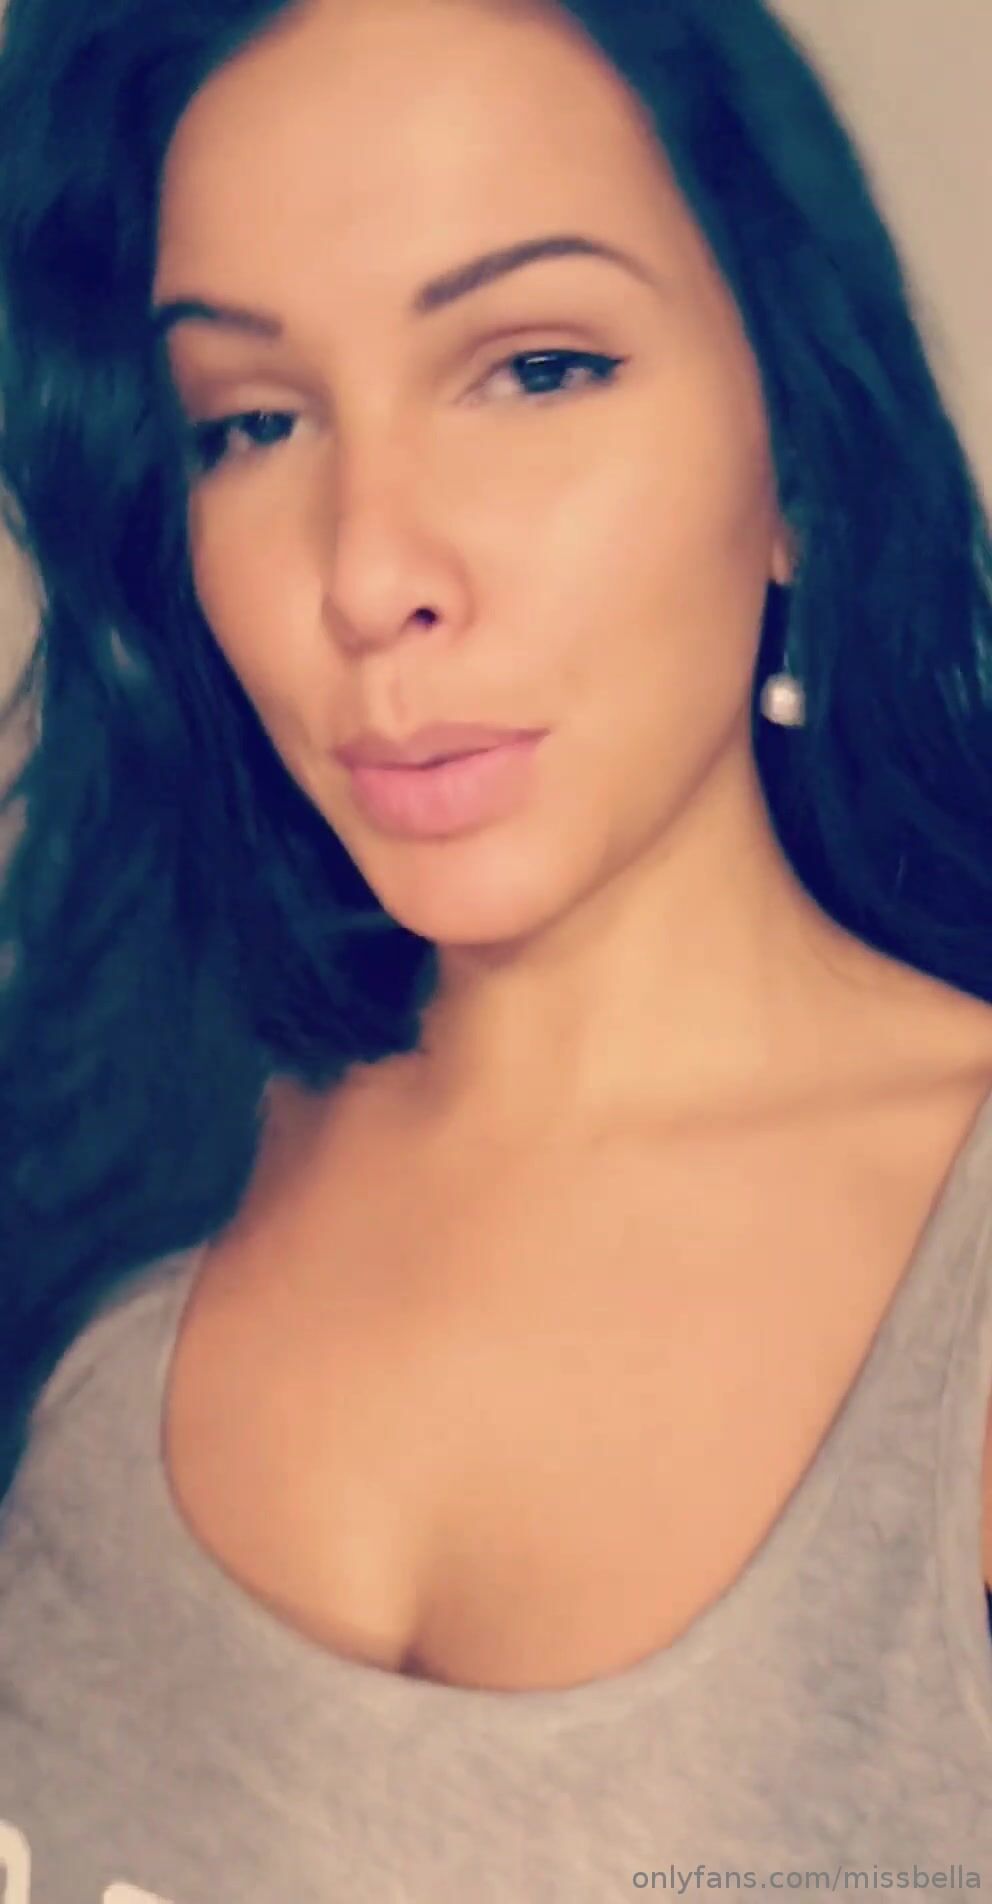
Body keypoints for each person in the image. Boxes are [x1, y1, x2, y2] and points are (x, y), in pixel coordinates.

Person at [0, 0, 991, 1895]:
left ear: (797, 456)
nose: (370, 570)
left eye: (535, 368)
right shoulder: (104, 1161)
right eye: (253, 422)